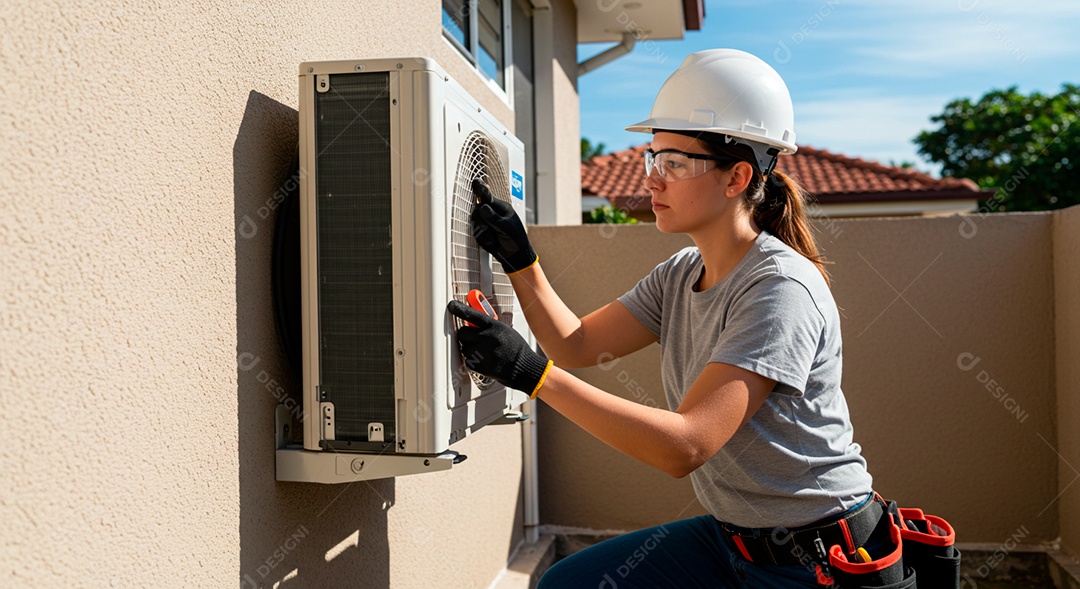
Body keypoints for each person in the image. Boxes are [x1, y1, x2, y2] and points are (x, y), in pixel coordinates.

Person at [447, 49, 879, 588]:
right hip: (733, 539)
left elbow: (685, 446)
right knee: (568, 584)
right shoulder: (681, 271)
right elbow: (577, 343)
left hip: (816, 558)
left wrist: (531, 375)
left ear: (737, 177)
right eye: (653, 158)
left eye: (673, 163)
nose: (651, 180)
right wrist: (520, 259)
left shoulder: (780, 288)